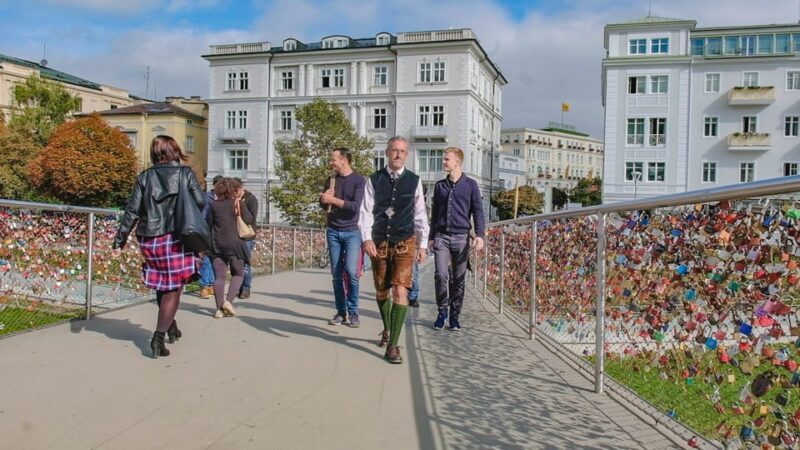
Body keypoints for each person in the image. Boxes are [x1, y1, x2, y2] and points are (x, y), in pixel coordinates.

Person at [113, 135, 205, 358]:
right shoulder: (185, 173)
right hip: (175, 236)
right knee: (173, 287)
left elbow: (132, 211)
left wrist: (120, 239)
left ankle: (170, 327)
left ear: (155, 153)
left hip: (149, 237)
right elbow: (201, 202)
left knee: (162, 283)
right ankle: (158, 337)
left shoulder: (144, 176)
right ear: (175, 150)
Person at [359, 136, 429, 364]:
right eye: (394, 150)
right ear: (387, 153)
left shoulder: (414, 181)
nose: (398, 154)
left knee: (401, 289)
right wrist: (366, 238)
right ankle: (387, 327)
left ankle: (393, 345)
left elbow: (420, 214)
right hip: (379, 241)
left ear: (407, 155)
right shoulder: (374, 180)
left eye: (402, 151)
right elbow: (366, 212)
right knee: (382, 290)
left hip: (405, 241)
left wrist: (423, 244)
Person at [429, 147, 485, 331]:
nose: (443, 162)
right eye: (444, 159)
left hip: (462, 237)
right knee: (441, 274)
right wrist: (431, 237)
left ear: (457, 162)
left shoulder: (470, 185)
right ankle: (441, 312)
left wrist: (480, 235)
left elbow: (478, 211)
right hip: (442, 236)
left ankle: (454, 315)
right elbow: (435, 212)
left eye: (446, 159)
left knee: (458, 278)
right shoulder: (440, 186)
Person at [319, 148, 366, 327]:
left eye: (333, 159)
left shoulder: (359, 180)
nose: (331, 163)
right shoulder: (331, 180)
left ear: (344, 160)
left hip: (352, 231)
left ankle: (354, 312)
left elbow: (356, 207)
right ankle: (341, 312)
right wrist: (324, 201)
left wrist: (334, 201)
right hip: (333, 230)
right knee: (336, 274)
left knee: (352, 272)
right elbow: (324, 205)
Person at [207, 177, 253, 318]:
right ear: (234, 189)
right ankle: (228, 302)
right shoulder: (238, 203)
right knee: (238, 274)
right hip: (236, 245)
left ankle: (219, 308)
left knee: (219, 277)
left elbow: (208, 223)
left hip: (217, 244)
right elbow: (249, 220)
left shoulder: (213, 204)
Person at [198, 175, 223, 299]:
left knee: (215, 259)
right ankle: (204, 286)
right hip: (208, 232)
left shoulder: (223, 199)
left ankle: (212, 285)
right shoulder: (207, 198)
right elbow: (202, 216)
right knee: (207, 259)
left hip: (218, 234)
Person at [235, 178, 259, 299]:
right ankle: (237, 286)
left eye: (237, 189)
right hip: (235, 235)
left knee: (245, 263)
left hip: (247, 236)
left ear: (242, 188)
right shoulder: (232, 199)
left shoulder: (251, 199)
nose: (235, 192)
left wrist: (241, 204)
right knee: (236, 263)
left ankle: (245, 288)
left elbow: (251, 219)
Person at [407, 185, 429, 308]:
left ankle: (413, 296)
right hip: (402, 239)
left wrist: (422, 246)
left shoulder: (424, 208)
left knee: (413, 270)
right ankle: (406, 293)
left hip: (414, 241)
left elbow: (424, 227)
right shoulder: (403, 202)